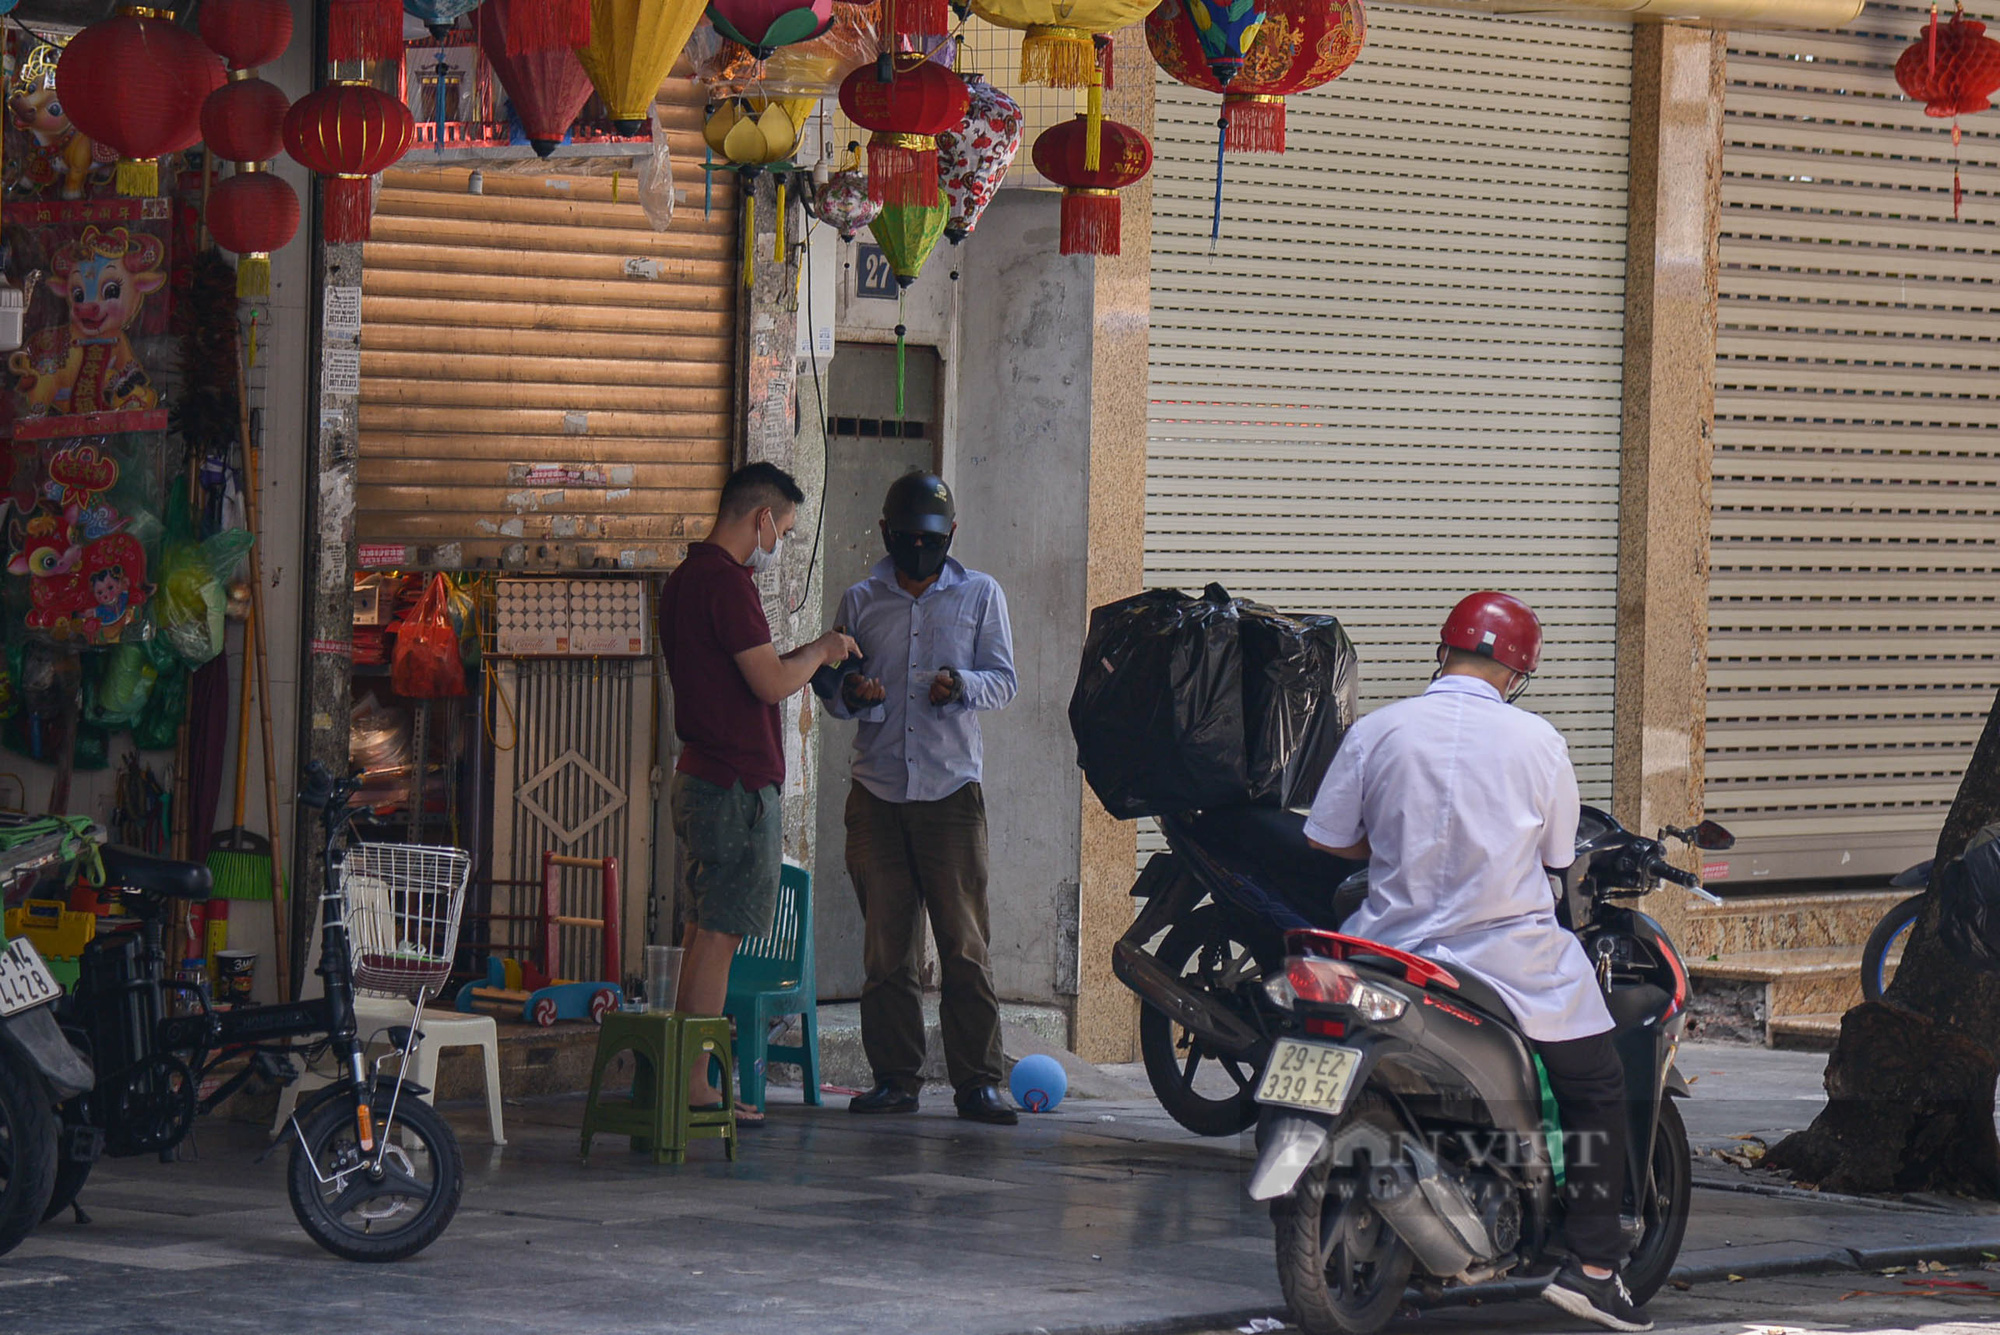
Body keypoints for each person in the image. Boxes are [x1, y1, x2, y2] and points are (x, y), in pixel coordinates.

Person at [1302, 592, 1648, 1333]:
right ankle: (1592, 1267)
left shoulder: (1378, 729)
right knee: (1597, 1082)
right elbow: (1560, 856)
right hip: (1508, 961)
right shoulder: (1537, 741)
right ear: (1517, 671)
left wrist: (1392, 846)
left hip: (1388, 950)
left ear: (1442, 650)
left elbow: (1330, 838)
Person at [658, 461, 858, 1125]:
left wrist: (801, 654)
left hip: (699, 775)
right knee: (717, 935)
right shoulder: (726, 582)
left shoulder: (682, 581)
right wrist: (823, 649)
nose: (782, 544)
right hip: (734, 784)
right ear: (761, 518)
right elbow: (770, 683)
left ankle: (684, 1076)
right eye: (785, 530)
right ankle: (694, 1085)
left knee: (700, 930)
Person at [823, 471, 1020, 1124]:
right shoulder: (860, 600)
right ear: (885, 535)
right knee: (886, 951)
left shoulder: (980, 594)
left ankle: (978, 1082)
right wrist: (856, 693)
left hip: (950, 797)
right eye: (906, 539)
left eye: (930, 540)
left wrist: (959, 684)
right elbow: (834, 687)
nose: (918, 549)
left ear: (951, 537)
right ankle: (896, 1078)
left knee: (964, 947)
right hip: (876, 796)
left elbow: (1003, 679)